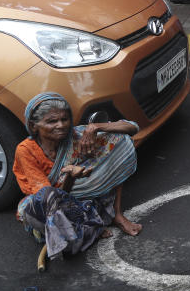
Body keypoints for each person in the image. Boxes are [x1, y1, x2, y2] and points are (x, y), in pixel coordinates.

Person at [14, 92, 142, 260]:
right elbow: (49, 199)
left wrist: (95, 127)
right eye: (52, 121)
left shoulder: (75, 136)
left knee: (119, 141)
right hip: (51, 204)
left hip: (80, 198)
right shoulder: (26, 150)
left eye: (65, 119)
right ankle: (88, 226)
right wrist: (70, 177)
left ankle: (114, 215)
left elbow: (132, 127)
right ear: (34, 126)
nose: (61, 125)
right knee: (33, 208)